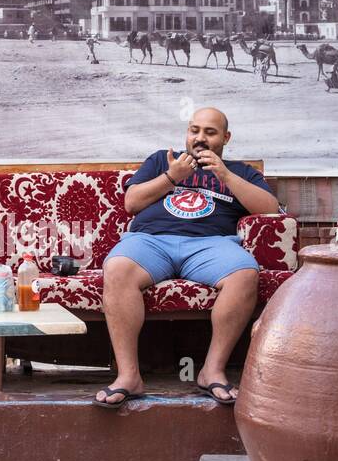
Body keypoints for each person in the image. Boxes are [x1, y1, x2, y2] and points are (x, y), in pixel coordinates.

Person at [96, 106, 279, 408]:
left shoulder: (242, 172)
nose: (200, 138)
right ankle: (129, 376)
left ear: (226, 137)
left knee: (245, 274)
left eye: (210, 132)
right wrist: (172, 176)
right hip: (151, 241)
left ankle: (212, 370)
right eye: (194, 130)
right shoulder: (161, 160)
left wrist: (225, 175)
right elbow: (131, 203)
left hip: (210, 244)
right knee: (117, 269)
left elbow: (270, 208)